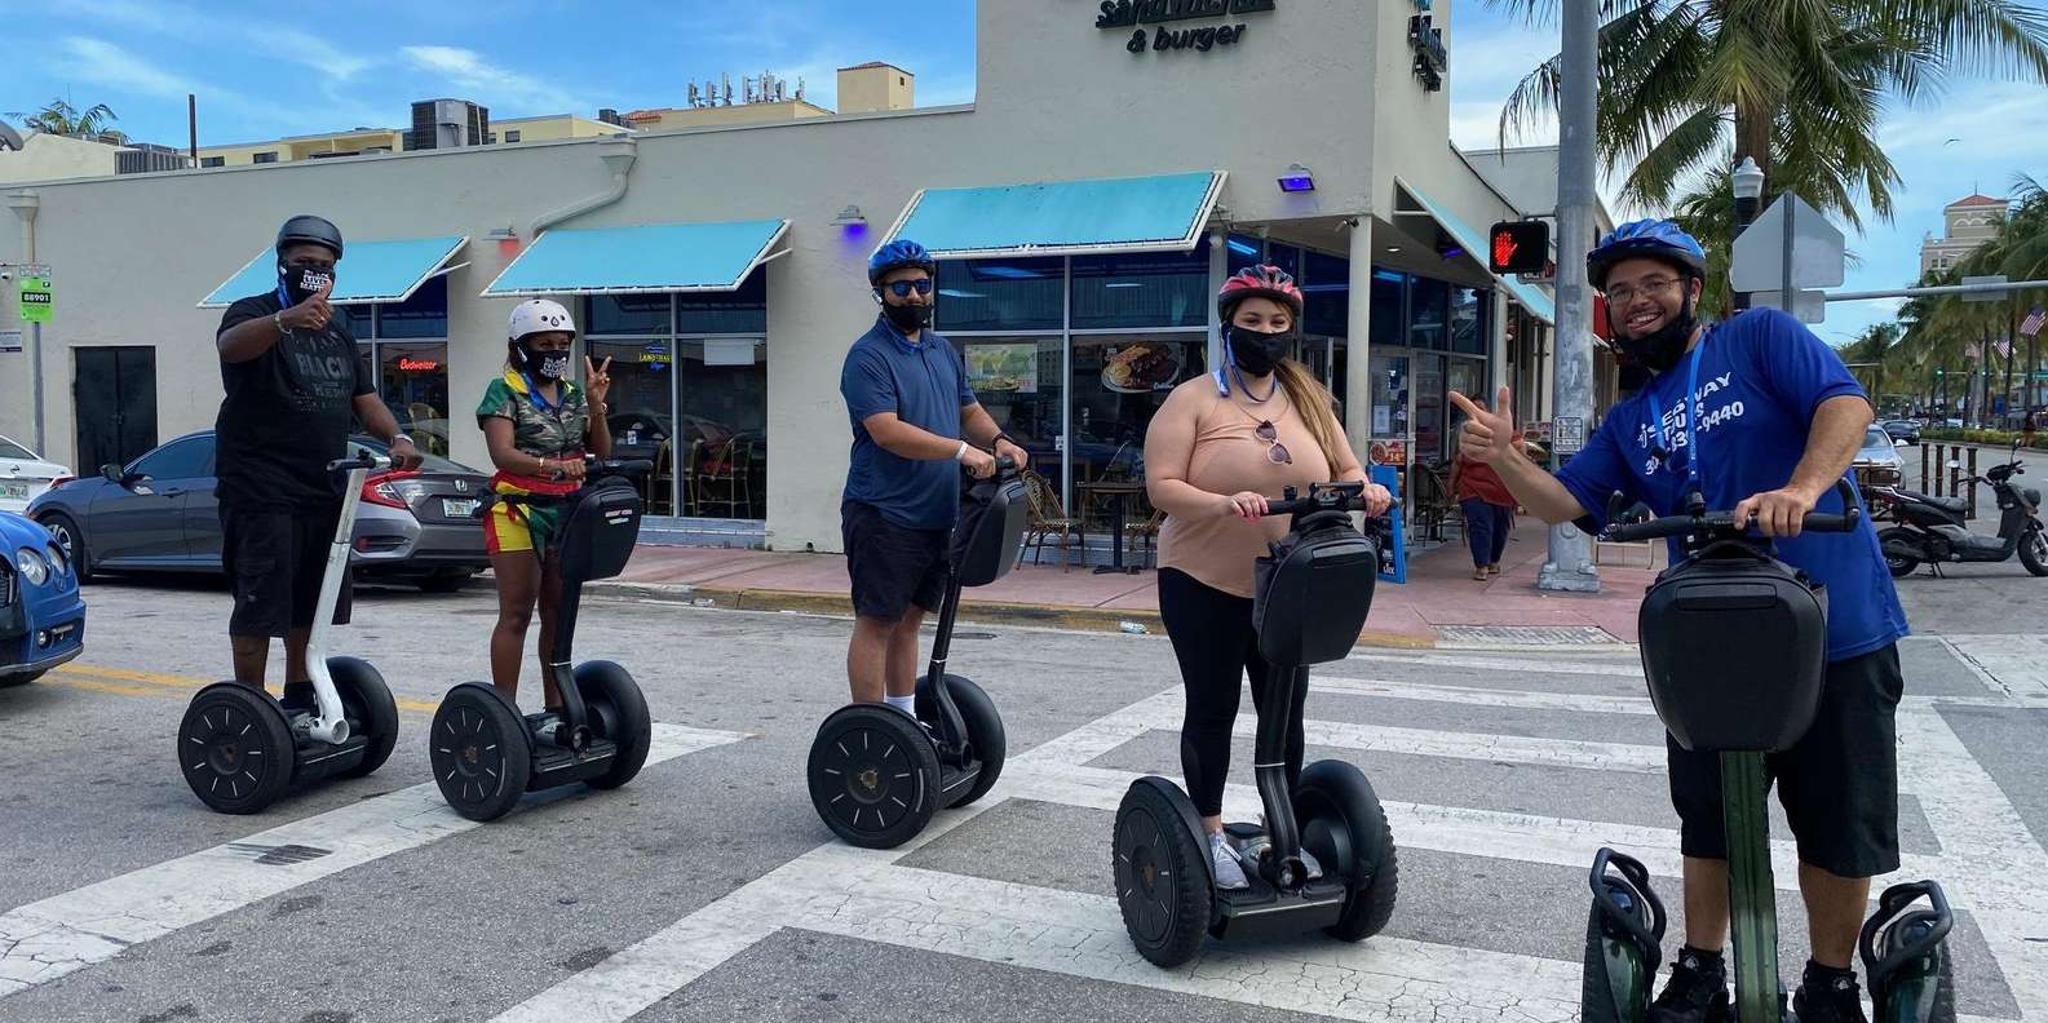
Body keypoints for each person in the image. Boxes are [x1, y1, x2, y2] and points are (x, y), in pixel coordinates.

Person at [1451, 219, 1910, 1023]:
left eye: (1654, 285)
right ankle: (1702, 969)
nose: (1637, 302)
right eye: (1621, 291)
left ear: (1692, 290)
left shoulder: (1759, 339)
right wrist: (1503, 457)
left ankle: (1832, 980)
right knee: (1710, 818)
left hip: (1833, 630)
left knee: (1838, 821)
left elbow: (1844, 405)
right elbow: (1571, 503)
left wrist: (1801, 490)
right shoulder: (1633, 418)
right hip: (1711, 646)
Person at [1143, 265, 1394, 890]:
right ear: (1230, 326)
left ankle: (1281, 826)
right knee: (1213, 706)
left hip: (1287, 585)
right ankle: (1211, 831)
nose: (1266, 334)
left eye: (1278, 324)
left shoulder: (1309, 398)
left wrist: (1368, 491)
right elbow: (1163, 487)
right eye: (1253, 322)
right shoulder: (1193, 399)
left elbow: (1346, 466)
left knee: (1285, 711)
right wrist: (1222, 503)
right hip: (1202, 580)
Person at [214, 214, 423, 706]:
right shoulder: (253, 312)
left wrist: (398, 436)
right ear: (282, 263)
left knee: (311, 599)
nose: (314, 272)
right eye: (303, 262)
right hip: (260, 485)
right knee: (261, 599)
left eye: (324, 266)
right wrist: (285, 320)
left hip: (323, 486)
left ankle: (299, 692)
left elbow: (364, 399)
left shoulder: (339, 332)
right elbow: (230, 347)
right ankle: (250, 704)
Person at [839, 239, 1030, 715]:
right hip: (884, 511)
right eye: (900, 287)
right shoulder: (867, 357)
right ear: (881, 293)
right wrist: (962, 452)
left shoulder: (942, 351)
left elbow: (968, 408)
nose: (914, 296)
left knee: (909, 620)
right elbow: (886, 432)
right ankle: (870, 729)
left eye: (922, 285)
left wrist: (1000, 441)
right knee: (877, 621)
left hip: (935, 512)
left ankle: (904, 719)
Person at [477, 299, 612, 709]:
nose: (554, 353)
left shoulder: (573, 394)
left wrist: (595, 405)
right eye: (543, 344)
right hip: (516, 511)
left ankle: (557, 708)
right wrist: (552, 466)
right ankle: (505, 712)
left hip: (566, 512)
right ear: (520, 346)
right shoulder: (505, 390)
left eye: (561, 344)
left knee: (557, 614)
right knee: (517, 613)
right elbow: (502, 454)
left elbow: (600, 453)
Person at [1446, 426, 1520, 579]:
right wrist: (1451, 486)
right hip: (1473, 489)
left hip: (1503, 491)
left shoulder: (1509, 436)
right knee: (1480, 526)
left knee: (1500, 527)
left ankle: (1493, 560)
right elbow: (1458, 462)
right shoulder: (1467, 438)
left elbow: (1521, 461)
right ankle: (1481, 565)